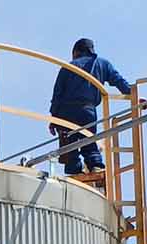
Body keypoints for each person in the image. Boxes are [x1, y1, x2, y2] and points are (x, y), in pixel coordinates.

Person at [49, 38, 132, 179]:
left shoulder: (68, 67)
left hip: (66, 112)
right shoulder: (102, 64)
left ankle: (74, 169)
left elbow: (57, 94)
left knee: (70, 143)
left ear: (76, 52)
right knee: (89, 140)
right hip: (88, 110)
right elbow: (119, 81)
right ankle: (95, 165)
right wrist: (133, 95)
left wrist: (53, 119)